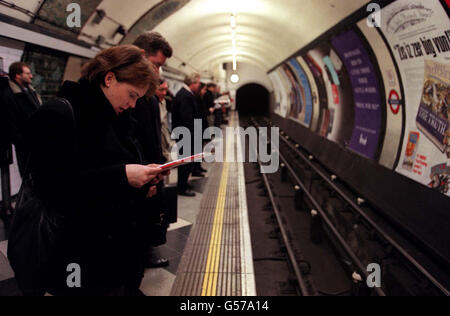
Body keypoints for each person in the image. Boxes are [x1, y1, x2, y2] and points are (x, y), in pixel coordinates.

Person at [24, 45, 163, 296]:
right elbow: (53, 189)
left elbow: (112, 175)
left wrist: (143, 180)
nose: (133, 105)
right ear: (109, 78)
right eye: (131, 95)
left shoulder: (116, 120)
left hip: (116, 253)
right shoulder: (59, 115)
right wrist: (122, 176)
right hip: (80, 253)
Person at [4, 62, 42, 176]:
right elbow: (11, 123)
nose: (31, 76)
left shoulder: (31, 91)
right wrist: (23, 142)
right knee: (28, 177)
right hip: (26, 146)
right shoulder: (9, 95)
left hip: (38, 142)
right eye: (28, 73)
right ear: (18, 75)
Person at [172, 73, 202, 197]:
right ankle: (182, 187)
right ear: (192, 83)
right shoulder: (185, 95)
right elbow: (186, 118)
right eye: (198, 83)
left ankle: (184, 183)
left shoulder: (185, 94)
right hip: (186, 135)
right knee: (185, 162)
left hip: (185, 134)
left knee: (186, 161)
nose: (199, 86)